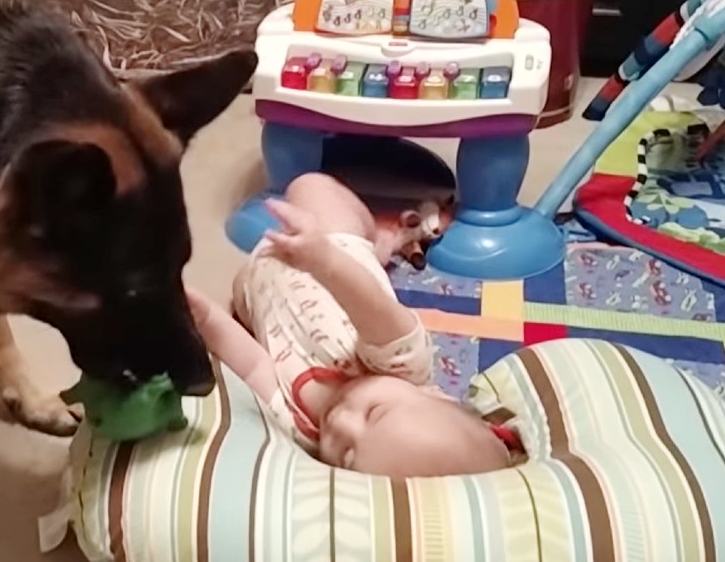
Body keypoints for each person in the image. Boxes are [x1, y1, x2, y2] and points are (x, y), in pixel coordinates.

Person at [188, 174, 518, 477]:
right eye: (374, 412)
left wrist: (206, 320)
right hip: (333, 246)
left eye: (347, 455)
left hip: (254, 283)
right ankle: (376, 235)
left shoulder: (301, 428)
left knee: (235, 303)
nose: (342, 424)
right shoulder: (403, 366)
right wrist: (322, 258)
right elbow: (369, 305)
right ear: (433, 395)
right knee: (308, 185)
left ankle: (388, 242)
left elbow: (253, 365)